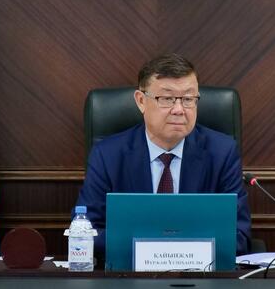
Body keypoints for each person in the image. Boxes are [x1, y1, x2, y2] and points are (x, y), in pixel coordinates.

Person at [75, 53, 251, 256]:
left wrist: (170, 253)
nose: (179, 110)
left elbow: (239, 236)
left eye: (188, 99)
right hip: (129, 272)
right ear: (141, 101)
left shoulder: (222, 153)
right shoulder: (107, 155)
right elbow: (85, 233)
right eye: (167, 99)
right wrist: (155, 251)